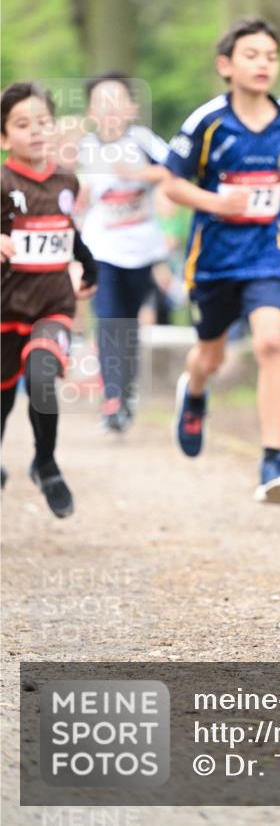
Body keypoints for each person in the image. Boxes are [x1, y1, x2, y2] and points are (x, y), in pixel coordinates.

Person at [163, 18, 280, 503]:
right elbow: (172, 182)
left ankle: (273, 460)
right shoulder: (206, 121)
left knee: (271, 343)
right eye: (252, 55)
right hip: (212, 261)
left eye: (271, 56)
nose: (263, 64)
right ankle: (194, 390)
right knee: (211, 355)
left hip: (267, 252)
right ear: (226, 66)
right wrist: (216, 204)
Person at [1, 82, 97, 517]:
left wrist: (88, 264)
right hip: (5, 307)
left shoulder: (66, 180)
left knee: (42, 377)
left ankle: (46, 463)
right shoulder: (2, 181)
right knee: (2, 398)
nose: (37, 131)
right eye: (23, 124)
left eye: (43, 121)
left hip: (53, 304)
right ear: (4, 137)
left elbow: (66, 229)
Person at [78, 73, 170, 432]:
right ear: (91, 112)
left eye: (117, 101)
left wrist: (137, 173)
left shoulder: (143, 140)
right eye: (102, 102)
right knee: (108, 319)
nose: (111, 109)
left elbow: (174, 173)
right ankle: (112, 399)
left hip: (142, 249)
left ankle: (125, 393)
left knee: (128, 323)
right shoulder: (85, 147)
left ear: (132, 108)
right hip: (101, 249)